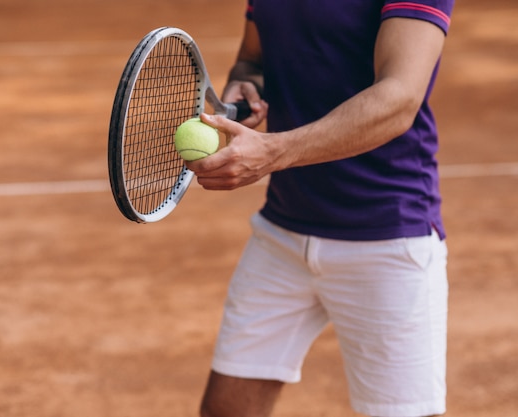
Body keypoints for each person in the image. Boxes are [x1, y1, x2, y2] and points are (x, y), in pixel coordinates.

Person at [187, 1, 455, 416]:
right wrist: (246, 83)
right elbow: (252, 58)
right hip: (282, 231)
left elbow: (399, 97)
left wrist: (273, 152)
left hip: (386, 236)